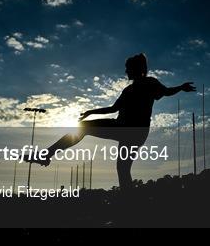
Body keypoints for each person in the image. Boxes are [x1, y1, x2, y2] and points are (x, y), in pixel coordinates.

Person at [24, 53, 196, 190]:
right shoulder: (128, 89)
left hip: (128, 129)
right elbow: (113, 108)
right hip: (130, 130)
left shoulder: (150, 83)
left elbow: (166, 92)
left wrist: (181, 87)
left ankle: (46, 155)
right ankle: (127, 207)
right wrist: (91, 112)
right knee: (122, 168)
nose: (126, 72)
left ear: (137, 69)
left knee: (86, 130)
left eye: (128, 69)